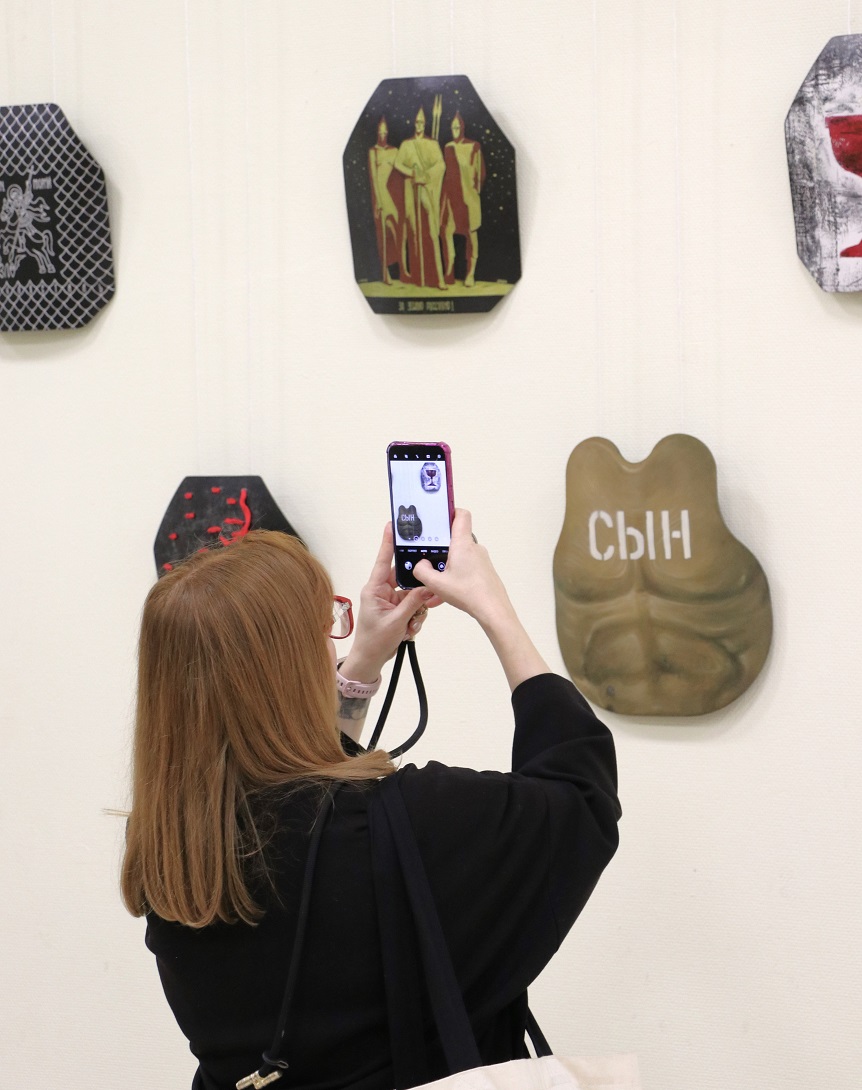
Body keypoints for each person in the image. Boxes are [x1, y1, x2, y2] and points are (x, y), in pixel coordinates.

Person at [122, 510, 621, 1090]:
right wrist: (494, 609)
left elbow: (290, 787)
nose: (334, 642)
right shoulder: (409, 821)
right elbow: (579, 794)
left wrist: (362, 664)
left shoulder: (171, 848)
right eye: (326, 629)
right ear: (289, 668)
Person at [393, 107, 447, 290]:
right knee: (414, 230)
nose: (419, 125)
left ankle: (438, 278)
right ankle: (419, 277)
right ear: (413, 123)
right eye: (417, 122)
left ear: (425, 124)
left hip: (426, 189)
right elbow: (398, 163)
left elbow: (441, 165)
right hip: (410, 188)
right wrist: (412, 173)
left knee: (432, 232)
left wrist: (426, 175)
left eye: (422, 122)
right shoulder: (406, 144)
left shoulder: (432, 144)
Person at [440, 113, 485, 287]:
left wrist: (473, 191)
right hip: (452, 196)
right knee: (447, 231)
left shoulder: (474, 146)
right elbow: (446, 173)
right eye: (453, 128)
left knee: (471, 234)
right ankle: (449, 269)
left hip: (469, 196)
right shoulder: (448, 147)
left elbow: (480, 173)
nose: (455, 131)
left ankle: (470, 273)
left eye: (457, 127)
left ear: (462, 127)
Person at [367, 117, 403, 285]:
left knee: (396, 230)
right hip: (379, 195)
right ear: (377, 132)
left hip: (390, 194)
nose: (382, 134)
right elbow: (374, 178)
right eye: (380, 132)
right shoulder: (373, 151)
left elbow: (400, 169)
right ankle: (385, 272)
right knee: (382, 235)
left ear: (387, 132)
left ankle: (401, 267)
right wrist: (378, 201)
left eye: (385, 132)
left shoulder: (394, 151)